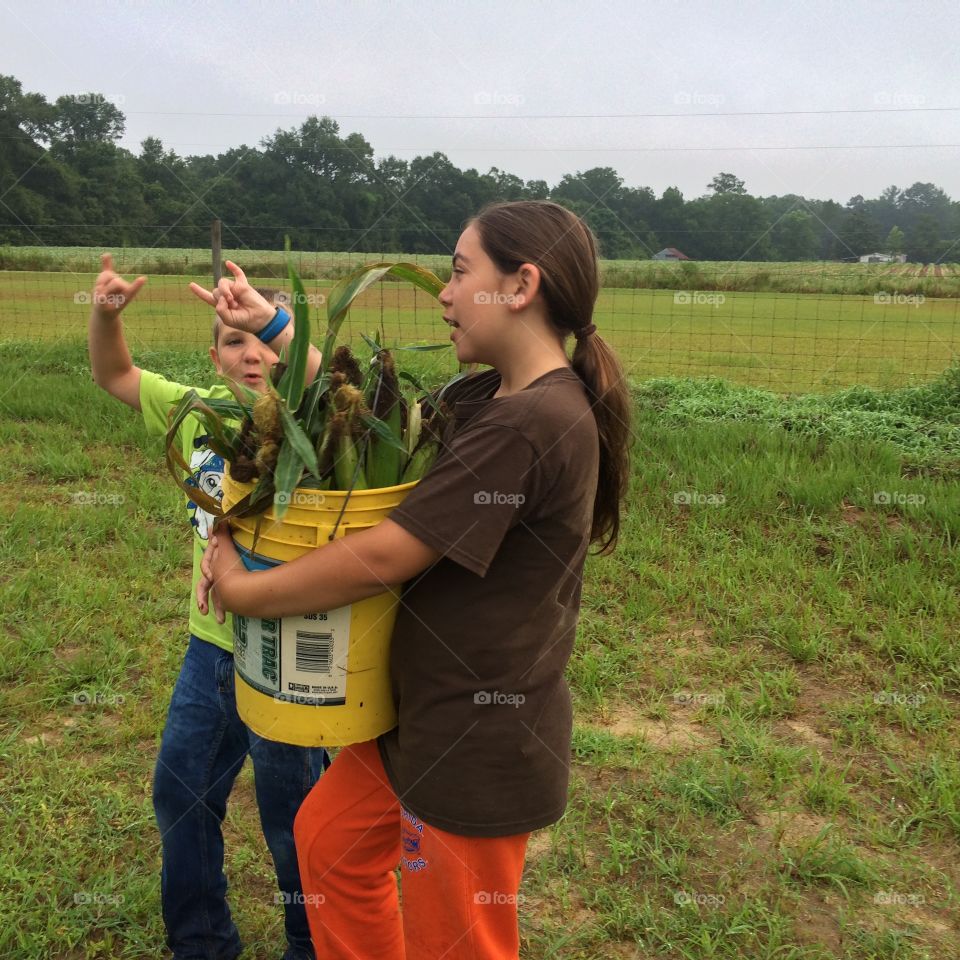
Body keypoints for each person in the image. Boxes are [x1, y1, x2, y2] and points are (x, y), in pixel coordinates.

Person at [197, 200, 632, 960]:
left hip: (475, 741)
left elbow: (386, 554)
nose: (446, 293)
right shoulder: (484, 398)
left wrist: (242, 590)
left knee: (455, 941)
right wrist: (274, 326)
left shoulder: (530, 422)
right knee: (328, 847)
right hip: (418, 713)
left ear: (520, 284)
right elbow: (364, 417)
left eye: (462, 273)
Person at [87, 254, 328, 960]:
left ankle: (311, 943)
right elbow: (114, 376)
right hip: (210, 650)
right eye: (232, 341)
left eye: (265, 342)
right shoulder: (199, 412)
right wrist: (105, 314)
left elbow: (337, 392)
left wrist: (280, 328)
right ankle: (200, 941)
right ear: (213, 355)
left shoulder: (317, 436)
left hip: (287, 656)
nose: (251, 356)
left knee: (295, 822)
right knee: (180, 793)